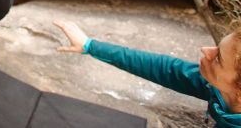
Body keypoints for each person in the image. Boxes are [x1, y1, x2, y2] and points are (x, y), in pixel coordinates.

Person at [54, 20, 241, 127]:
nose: (206, 50)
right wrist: (90, 45)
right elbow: (165, 69)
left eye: (219, 59)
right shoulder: (219, 89)